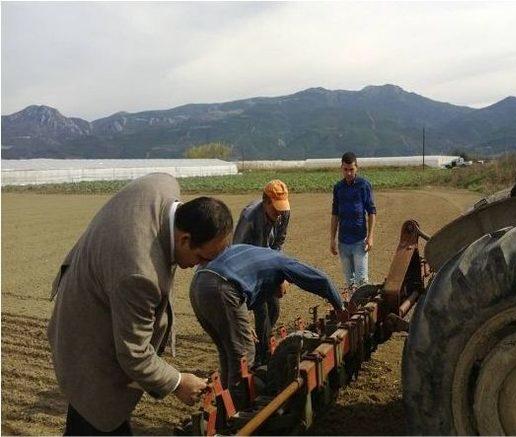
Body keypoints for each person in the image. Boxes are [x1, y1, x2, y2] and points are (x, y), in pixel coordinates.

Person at [47, 173, 233, 435]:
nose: (199, 267)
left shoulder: (163, 185)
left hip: (94, 289)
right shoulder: (140, 275)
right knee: (96, 413)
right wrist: (178, 382)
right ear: (184, 239)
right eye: (201, 258)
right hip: (85, 339)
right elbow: (134, 354)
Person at [189, 243, 347, 406]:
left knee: (227, 351)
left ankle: (225, 404)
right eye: (287, 287)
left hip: (199, 285)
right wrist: (340, 307)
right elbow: (321, 279)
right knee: (243, 354)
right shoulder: (280, 261)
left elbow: (233, 291)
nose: (283, 294)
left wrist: (241, 325)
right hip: (222, 287)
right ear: (285, 278)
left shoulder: (259, 257)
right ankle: (237, 408)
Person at [233, 179, 290, 365]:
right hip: (248, 267)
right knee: (262, 310)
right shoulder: (249, 218)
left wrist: (279, 276)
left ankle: (260, 344)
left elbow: (278, 244)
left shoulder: (284, 213)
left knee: (274, 307)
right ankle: (263, 358)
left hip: (267, 263)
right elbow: (237, 252)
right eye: (276, 208)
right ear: (265, 202)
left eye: (282, 207)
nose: (279, 212)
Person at [330, 152, 377, 293]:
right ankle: (353, 311)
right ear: (341, 168)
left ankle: (364, 312)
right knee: (349, 282)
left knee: (361, 281)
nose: (349, 173)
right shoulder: (338, 188)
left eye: (351, 169)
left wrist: (370, 236)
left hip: (359, 241)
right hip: (343, 242)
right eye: (345, 169)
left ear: (357, 168)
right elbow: (335, 214)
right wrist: (332, 239)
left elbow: (371, 211)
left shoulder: (364, 186)